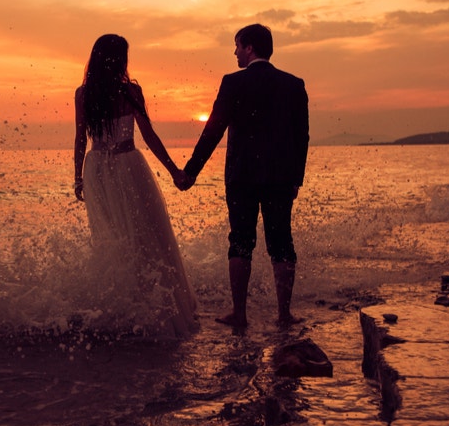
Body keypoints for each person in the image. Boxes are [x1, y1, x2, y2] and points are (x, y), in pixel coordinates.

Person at [178, 24, 309, 329]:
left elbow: (213, 131)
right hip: (279, 177)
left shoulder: (233, 83)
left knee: (240, 242)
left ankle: (240, 314)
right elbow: (302, 136)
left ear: (249, 47)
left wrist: (191, 172)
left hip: (242, 176)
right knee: (281, 242)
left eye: (237, 46)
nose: (235, 52)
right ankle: (284, 314)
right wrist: (296, 179)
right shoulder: (293, 84)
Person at [74, 34, 198, 338]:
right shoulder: (131, 91)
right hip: (128, 166)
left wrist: (78, 177)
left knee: (111, 237)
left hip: (97, 169)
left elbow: (80, 138)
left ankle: (121, 309)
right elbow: (149, 136)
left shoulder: (83, 92)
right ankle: (153, 307)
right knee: (146, 235)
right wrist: (173, 171)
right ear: (120, 60)